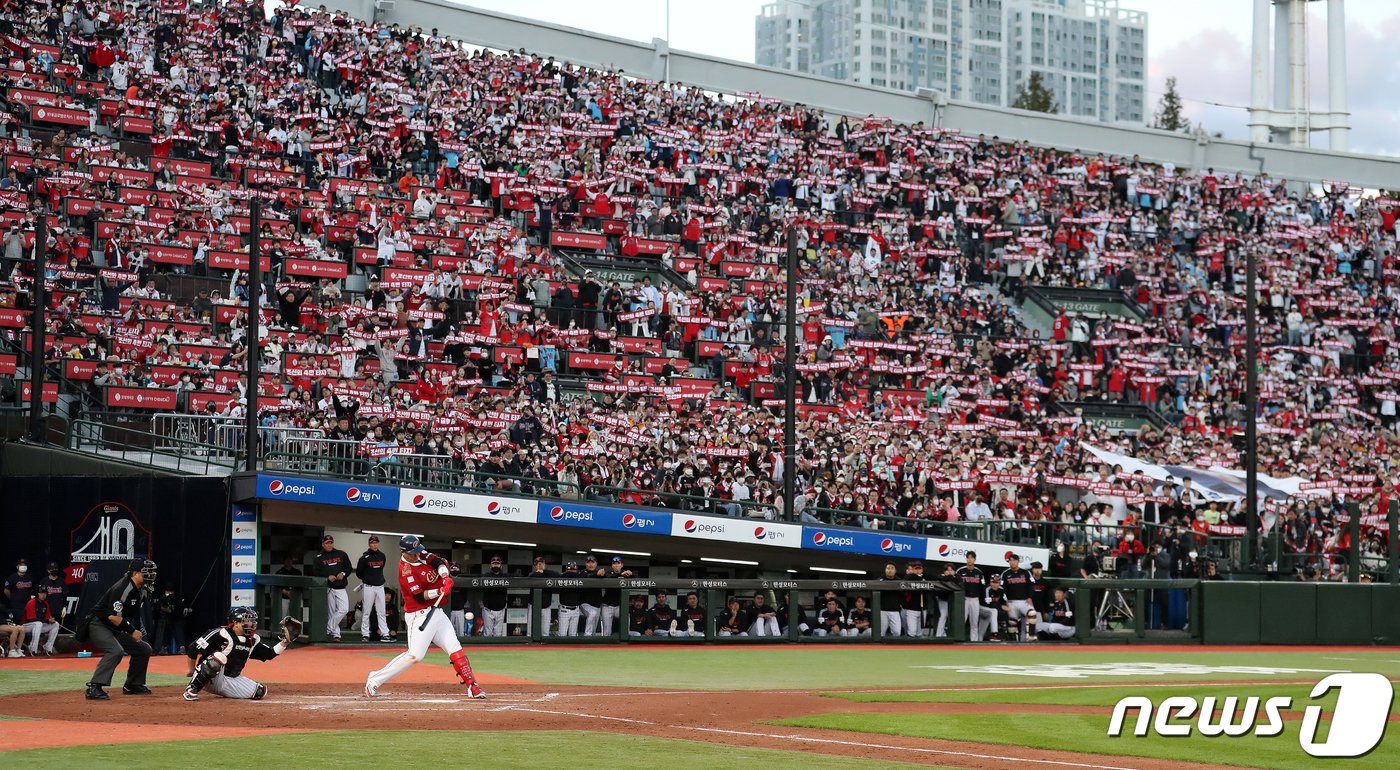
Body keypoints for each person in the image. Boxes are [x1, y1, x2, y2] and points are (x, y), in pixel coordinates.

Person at [364, 536, 486, 699]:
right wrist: (440, 591)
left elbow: (438, 562)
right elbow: (420, 597)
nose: (417, 555)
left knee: (455, 648)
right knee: (415, 655)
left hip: (436, 613)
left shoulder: (419, 553)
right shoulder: (405, 571)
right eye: (413, 553)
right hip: (419, 615)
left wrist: (445, 578)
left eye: (417, 551)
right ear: (404, 552)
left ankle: (472, 685)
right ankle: (374, 679)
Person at [183, 607, 298, 700]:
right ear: (235, 623)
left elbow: (269, 654)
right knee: (219, 657)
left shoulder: (253, 640)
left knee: (260, 692)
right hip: (208, 677)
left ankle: (224, 693)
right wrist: (191, 670)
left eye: (252, 621)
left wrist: (285, 642)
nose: (251, 624)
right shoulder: (220, 633)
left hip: (230, 679)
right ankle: (192, 689)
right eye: (247, 621)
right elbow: (193, 648)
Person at [81, 559, 156, 700]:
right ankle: (94, 687)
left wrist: (132, 630)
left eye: (152, 572)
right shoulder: (123, 587)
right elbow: (113, 617)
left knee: (144, 649)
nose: (151, 575)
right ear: (135, 573)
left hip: (115, 628)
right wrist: (132, 631)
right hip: (99, 624)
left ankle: (133, 684)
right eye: (147, 572)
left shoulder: (142, 590)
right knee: (116, 650)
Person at [313, 535, 351, 642]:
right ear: (323, 544)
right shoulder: (319, 557)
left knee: (344, 609)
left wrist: (343, 573)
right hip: (328, 587)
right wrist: (327, 578)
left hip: (340, 586)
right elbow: (315, 572)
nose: (329, 545)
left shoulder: (341, 554)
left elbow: (348, 567)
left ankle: (328, 629)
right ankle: (336, 635)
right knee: (331, 612)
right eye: (327, 543)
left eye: (330, 543)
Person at [355, 535, 392, 642]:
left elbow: (381, 568)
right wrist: (368, 579)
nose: (374, 545)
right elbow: (359, 573)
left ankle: (385, 633)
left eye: (376, 542)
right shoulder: (364, 558)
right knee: (366, 611)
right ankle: (365, 634)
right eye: (372, 543)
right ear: (369, 544)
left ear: (378, 543)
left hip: (380, 586)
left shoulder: (382, 556)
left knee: (381, 611)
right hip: (368, 587)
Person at [999, 554, 1034, 642]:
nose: (1012, 562)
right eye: (1010, 560)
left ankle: (1031, 636)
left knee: (1032, 613)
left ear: (1018, 561)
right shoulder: (1005, 574)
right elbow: (1001, 589)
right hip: (1011, 602)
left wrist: (1030, 597)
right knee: (1012, 622)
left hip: (1024, 601)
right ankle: (1012, 641)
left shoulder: (1025, 572)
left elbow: (1031, 585)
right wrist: (1005, 601)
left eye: (1014, 560)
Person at [953, 551, 986, 641]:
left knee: (974, 623)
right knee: (962, 620)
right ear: (966, 559)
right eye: (968, 558)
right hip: (964, 599)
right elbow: (955, 584)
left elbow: (982, 587)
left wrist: (980, 598)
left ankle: (974, 641)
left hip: (975, 599)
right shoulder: (960, 571)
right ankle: (958, 639)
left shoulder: (979, 572)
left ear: (974, 559)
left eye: (971, 558)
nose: (970, 560)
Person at [480, 555, 509, 637]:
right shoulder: (486, 576)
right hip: (488, 609)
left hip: (501, 609)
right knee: (487, 633)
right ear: (491, 565)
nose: (495, 565)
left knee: (498, 634)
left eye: (497, 563)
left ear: (500, 565)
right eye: (494, 564)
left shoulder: (505, 577)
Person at [23, 591, 59, 656]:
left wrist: (51, 620)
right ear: (38, 594)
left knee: (56, 624)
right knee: (38, 623)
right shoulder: (32, 602)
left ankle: (48, 647)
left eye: (45, 593)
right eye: (41, 593)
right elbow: (31, 619)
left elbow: (47, 618)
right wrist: (47, 620)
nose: (43, 595)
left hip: (37, 626)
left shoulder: (45, 604)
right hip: (25, 626)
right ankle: (32, 648)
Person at [556, 561, 584, 636]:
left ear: (576, 570)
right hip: (564, 610)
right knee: (562, 634)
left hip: (576, 609)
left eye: (573, 571)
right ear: (566, 570)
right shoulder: (561, 577)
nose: (571, 573)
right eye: (570, 571)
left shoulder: (580, 578)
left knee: (573, 635)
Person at [900, 560, 926, 637]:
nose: (918, 570)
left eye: (919, 569)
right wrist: (921, 579)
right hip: (911, 609)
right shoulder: (909, 577)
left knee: (919, 633)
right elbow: (908, 577)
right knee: (911, 632)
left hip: (923, 609)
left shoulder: (926, 577)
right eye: (916, 569)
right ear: (913, 570)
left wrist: (922, 579)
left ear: (922, 569)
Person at [877, 562, 903, 637]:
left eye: (892, 568)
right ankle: (878, 648)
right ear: (885, 570)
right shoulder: (880, 580)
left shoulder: (899, 581)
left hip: (895, 610)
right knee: (880, 633)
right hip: (882, 610)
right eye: (888, 568)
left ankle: (894, 648)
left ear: (895, 570)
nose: (890, 570)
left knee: (897, 632)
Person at [579, 554, 602, 635]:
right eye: (588, 562)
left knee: (594, 630)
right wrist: (597, 575)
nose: (591, 564)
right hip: (585, 603)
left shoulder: (599, 573)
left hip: (597, 604)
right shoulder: (583, 572)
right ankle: (587, 636)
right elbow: (586, 577)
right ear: (586, 564)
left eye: (592, 562)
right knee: (592, 614)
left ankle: (591, 641)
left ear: (596, 563)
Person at [980, 574, 1006, 642]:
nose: (994, 584)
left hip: (988, 612)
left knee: (980, 633)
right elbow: (988, 603)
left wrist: (1005, 607)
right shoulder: (987, 589)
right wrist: (1000, 607)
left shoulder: (1001, 589)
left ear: (1000, 583)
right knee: (994, 611)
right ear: (990, 582)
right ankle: (994, 634)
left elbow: (1004, 602)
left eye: (996, 582)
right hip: (981, 608)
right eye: (993, 582)